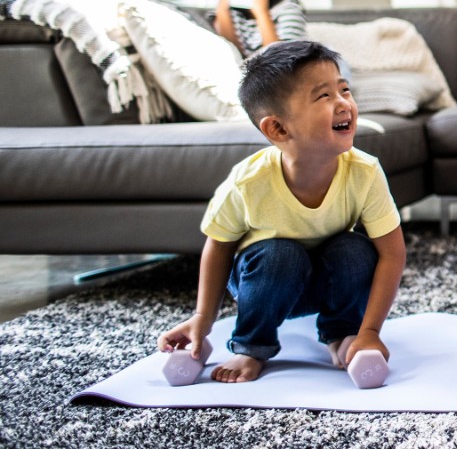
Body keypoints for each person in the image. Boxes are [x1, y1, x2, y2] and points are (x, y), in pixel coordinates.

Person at [157, 41, 406, 383]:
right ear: (278, 129)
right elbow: (218, 245)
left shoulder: (365, 171)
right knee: (281, 254)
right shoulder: (249, 181)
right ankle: (251, 346)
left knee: (355, 248)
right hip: (263, 280)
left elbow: (392, 254)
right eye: (324, 96)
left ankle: (342, 333)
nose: (343, 103)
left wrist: (371, 330)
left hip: (325, 280)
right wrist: (203, 316)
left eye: (344, 89)